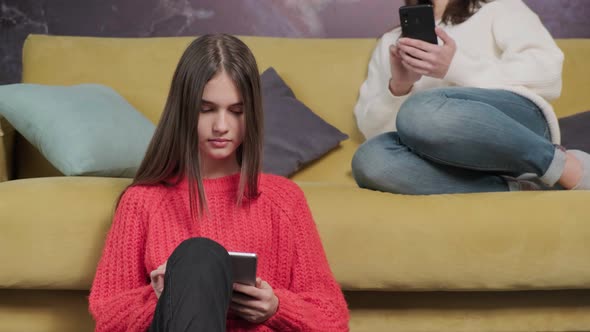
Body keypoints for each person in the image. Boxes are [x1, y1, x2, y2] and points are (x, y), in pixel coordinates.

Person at [89, 34, 349, 332]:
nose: (222, 126)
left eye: (236, 112)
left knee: (200, 257)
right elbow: (107, 319)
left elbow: (334, 321)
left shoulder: (284, 200)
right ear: (184, 110)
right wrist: (166, 296)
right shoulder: (142, 200)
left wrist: (277, 308)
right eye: (206, 109)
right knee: (198, 256)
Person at [351, 0, 590, 194]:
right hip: (450, 157)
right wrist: (400, 86)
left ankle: (560, 165)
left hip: (519, 126)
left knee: (420, 110)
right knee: (369, 159)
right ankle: (518, 187)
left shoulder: (501, 8)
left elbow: (547, 73)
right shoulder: (392, 42)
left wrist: (454, 66)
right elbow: (372, 131)